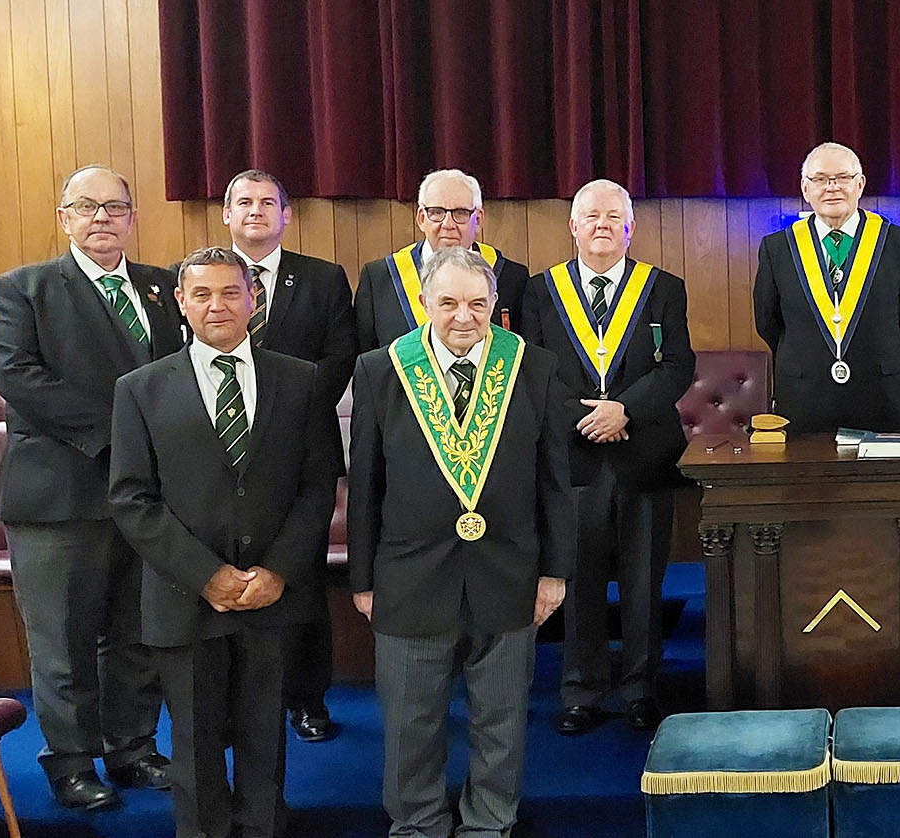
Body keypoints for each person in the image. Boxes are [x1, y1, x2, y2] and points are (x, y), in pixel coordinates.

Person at [111, 247, 342, 838]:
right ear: (182, 304)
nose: (219, 305)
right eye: (204, 295)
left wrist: (278, 571)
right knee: (194, 741)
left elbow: (317, 488)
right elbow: (132, 499)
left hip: (272, 596)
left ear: (254, 299)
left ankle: (264, 829)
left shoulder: (302, 379)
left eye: (231, 293)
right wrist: (206, 575)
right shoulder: (140, 389)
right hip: (186, 599)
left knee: (266, 738)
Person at [348, 247, 574, 837]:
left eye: (477, 303)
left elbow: (555, 481)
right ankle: (416, 823)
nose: (462, 316)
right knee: (409, 721)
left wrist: (554, 572)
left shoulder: (534, 367)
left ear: (496, 307)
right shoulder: (381, 369)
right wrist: (363, 580)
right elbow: (366, 483)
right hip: (408, 575)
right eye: (447, 302)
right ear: (424, 303)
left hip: (509, 571)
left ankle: (487, 824)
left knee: (500, 719)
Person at [0, 164, 183, 809]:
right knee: (64, 645)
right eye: (86, 207)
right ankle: (71, 764)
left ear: (132, 218)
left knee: (136, 635)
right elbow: (21, 380)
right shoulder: (24, 290)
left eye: (115, 207)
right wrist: (122, 441)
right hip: (59, 501)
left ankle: (133, 750)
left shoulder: (162, 289)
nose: (102, 217)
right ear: (64, 218)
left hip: (144, 502)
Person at [519, 179, 694, 736]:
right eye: (590, 215)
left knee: (645, 580)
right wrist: (586, 418)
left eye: (613, 216)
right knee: (578, 579)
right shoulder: (541, 292)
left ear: (630, 227)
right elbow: (531, 368)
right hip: (572, 456)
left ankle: (642, 688)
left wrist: (625, 412)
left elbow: (677, 366)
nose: (601, 224)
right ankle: (582, 690)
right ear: (572, 226)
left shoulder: (664, 288)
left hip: (643, 454)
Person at [220, 168, 359, 742]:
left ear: (286, 215)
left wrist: (277, 420)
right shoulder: (202, 275)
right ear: (227, 214)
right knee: (225, 575)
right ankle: (232, 703)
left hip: (304, 453)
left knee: (298, 577)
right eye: (244, 202)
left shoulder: (324, 279)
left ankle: (308, 701)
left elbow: (339, 356)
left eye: (268, 202)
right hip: (220, 456)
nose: (256, 210)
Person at [753, 142, 900, 432]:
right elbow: (768, 322)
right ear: (805, 188)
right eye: (820, 179)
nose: (832, 187)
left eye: (843, 178)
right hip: (802, 402)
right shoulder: (777, 248)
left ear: (860, 184)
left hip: (880, 399)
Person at [355, 168, 528, 349]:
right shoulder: (380, 278)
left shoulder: (512, 277)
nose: (448, 224)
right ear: (421, 218)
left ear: (478, 220)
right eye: (436, 212)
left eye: (460, 213)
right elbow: (366, 358)